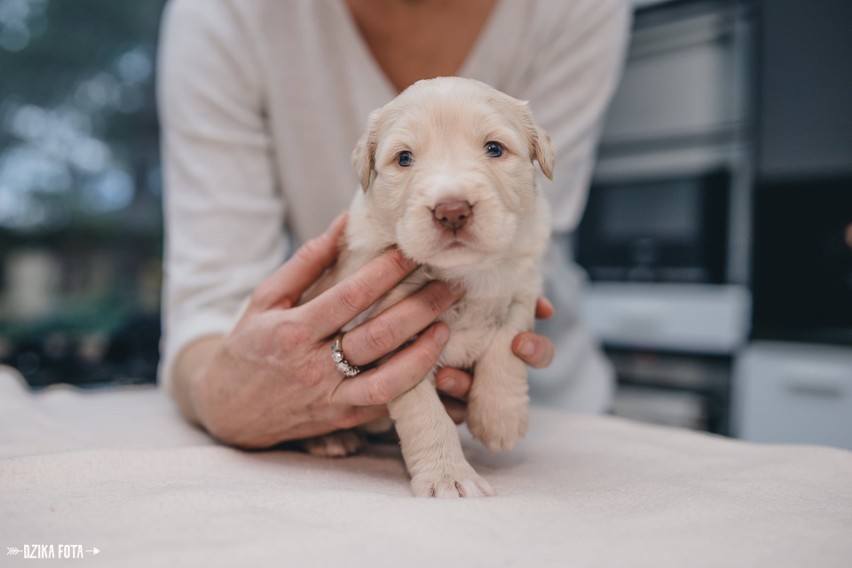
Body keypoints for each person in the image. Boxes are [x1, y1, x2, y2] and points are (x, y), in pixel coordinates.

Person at [157, 0, 631, 448]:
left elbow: (530, 225)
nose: (451, 205)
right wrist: (222, 396)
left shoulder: (579, 8)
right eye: (403, 157)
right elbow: (212, 303)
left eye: (493, 148)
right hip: (326, 415)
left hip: (551, 414)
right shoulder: (225, 15)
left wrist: (501, 369)